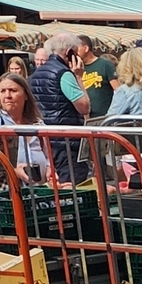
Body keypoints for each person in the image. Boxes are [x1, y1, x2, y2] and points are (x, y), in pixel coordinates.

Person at [30, 34, 87, 182]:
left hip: (47, 140)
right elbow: (84, 106)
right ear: (69, 52)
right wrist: (79, 77)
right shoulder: (64, 74)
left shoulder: (35, 75)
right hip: (67, 141)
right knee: (74, 183)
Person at [0, 71, 50, 184]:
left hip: (39, 191)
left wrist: (50, 170)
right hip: (7, 192)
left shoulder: (37, 123)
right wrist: (12, 172)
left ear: (26, 95)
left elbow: (48, 157)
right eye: (2, 91)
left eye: (13, 90)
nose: (7, 96)